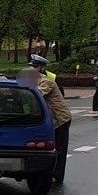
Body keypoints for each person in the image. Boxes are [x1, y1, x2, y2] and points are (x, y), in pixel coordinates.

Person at [31, 54, 72, 184]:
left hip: (61, 118)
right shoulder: (35, 80)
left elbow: (37, 94)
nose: (32, 69)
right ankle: (51, 172)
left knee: (59, 148)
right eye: (32, 66)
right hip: (52, 119)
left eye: (35, 67)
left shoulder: (46, 81)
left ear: (42, 68)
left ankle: (58, 175)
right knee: (52, 147)